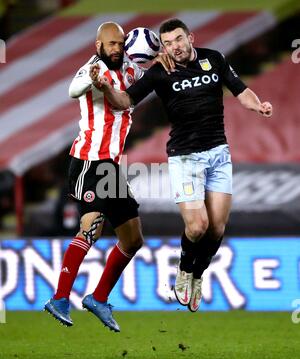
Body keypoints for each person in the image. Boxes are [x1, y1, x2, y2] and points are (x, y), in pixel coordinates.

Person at [97, 18, 273, 313]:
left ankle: (197, 275)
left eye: (178, 39)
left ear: (190, 37)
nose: (174, 47)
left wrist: (259, 105)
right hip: (184, 157)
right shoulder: (160, 72)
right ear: (162, 47)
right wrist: (105, 87)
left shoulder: (213, 59)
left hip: (218, 153)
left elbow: (240, 89)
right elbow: (126, 100)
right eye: (167, 43)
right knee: (197, 226)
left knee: (216, 229)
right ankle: (183, 268)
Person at [44, 22, 171, 332]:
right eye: (110, 44)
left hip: (110, 165)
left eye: (119, 43)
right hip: (89, 160)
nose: (115, 48)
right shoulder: (93, 67)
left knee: (132, 238)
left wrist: (163, 59)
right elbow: (72, 90)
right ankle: (60, 298)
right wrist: (91, 80)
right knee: (91, 229)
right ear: (98, 45)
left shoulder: (128, 69)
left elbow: (147, 75)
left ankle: (98, 298)